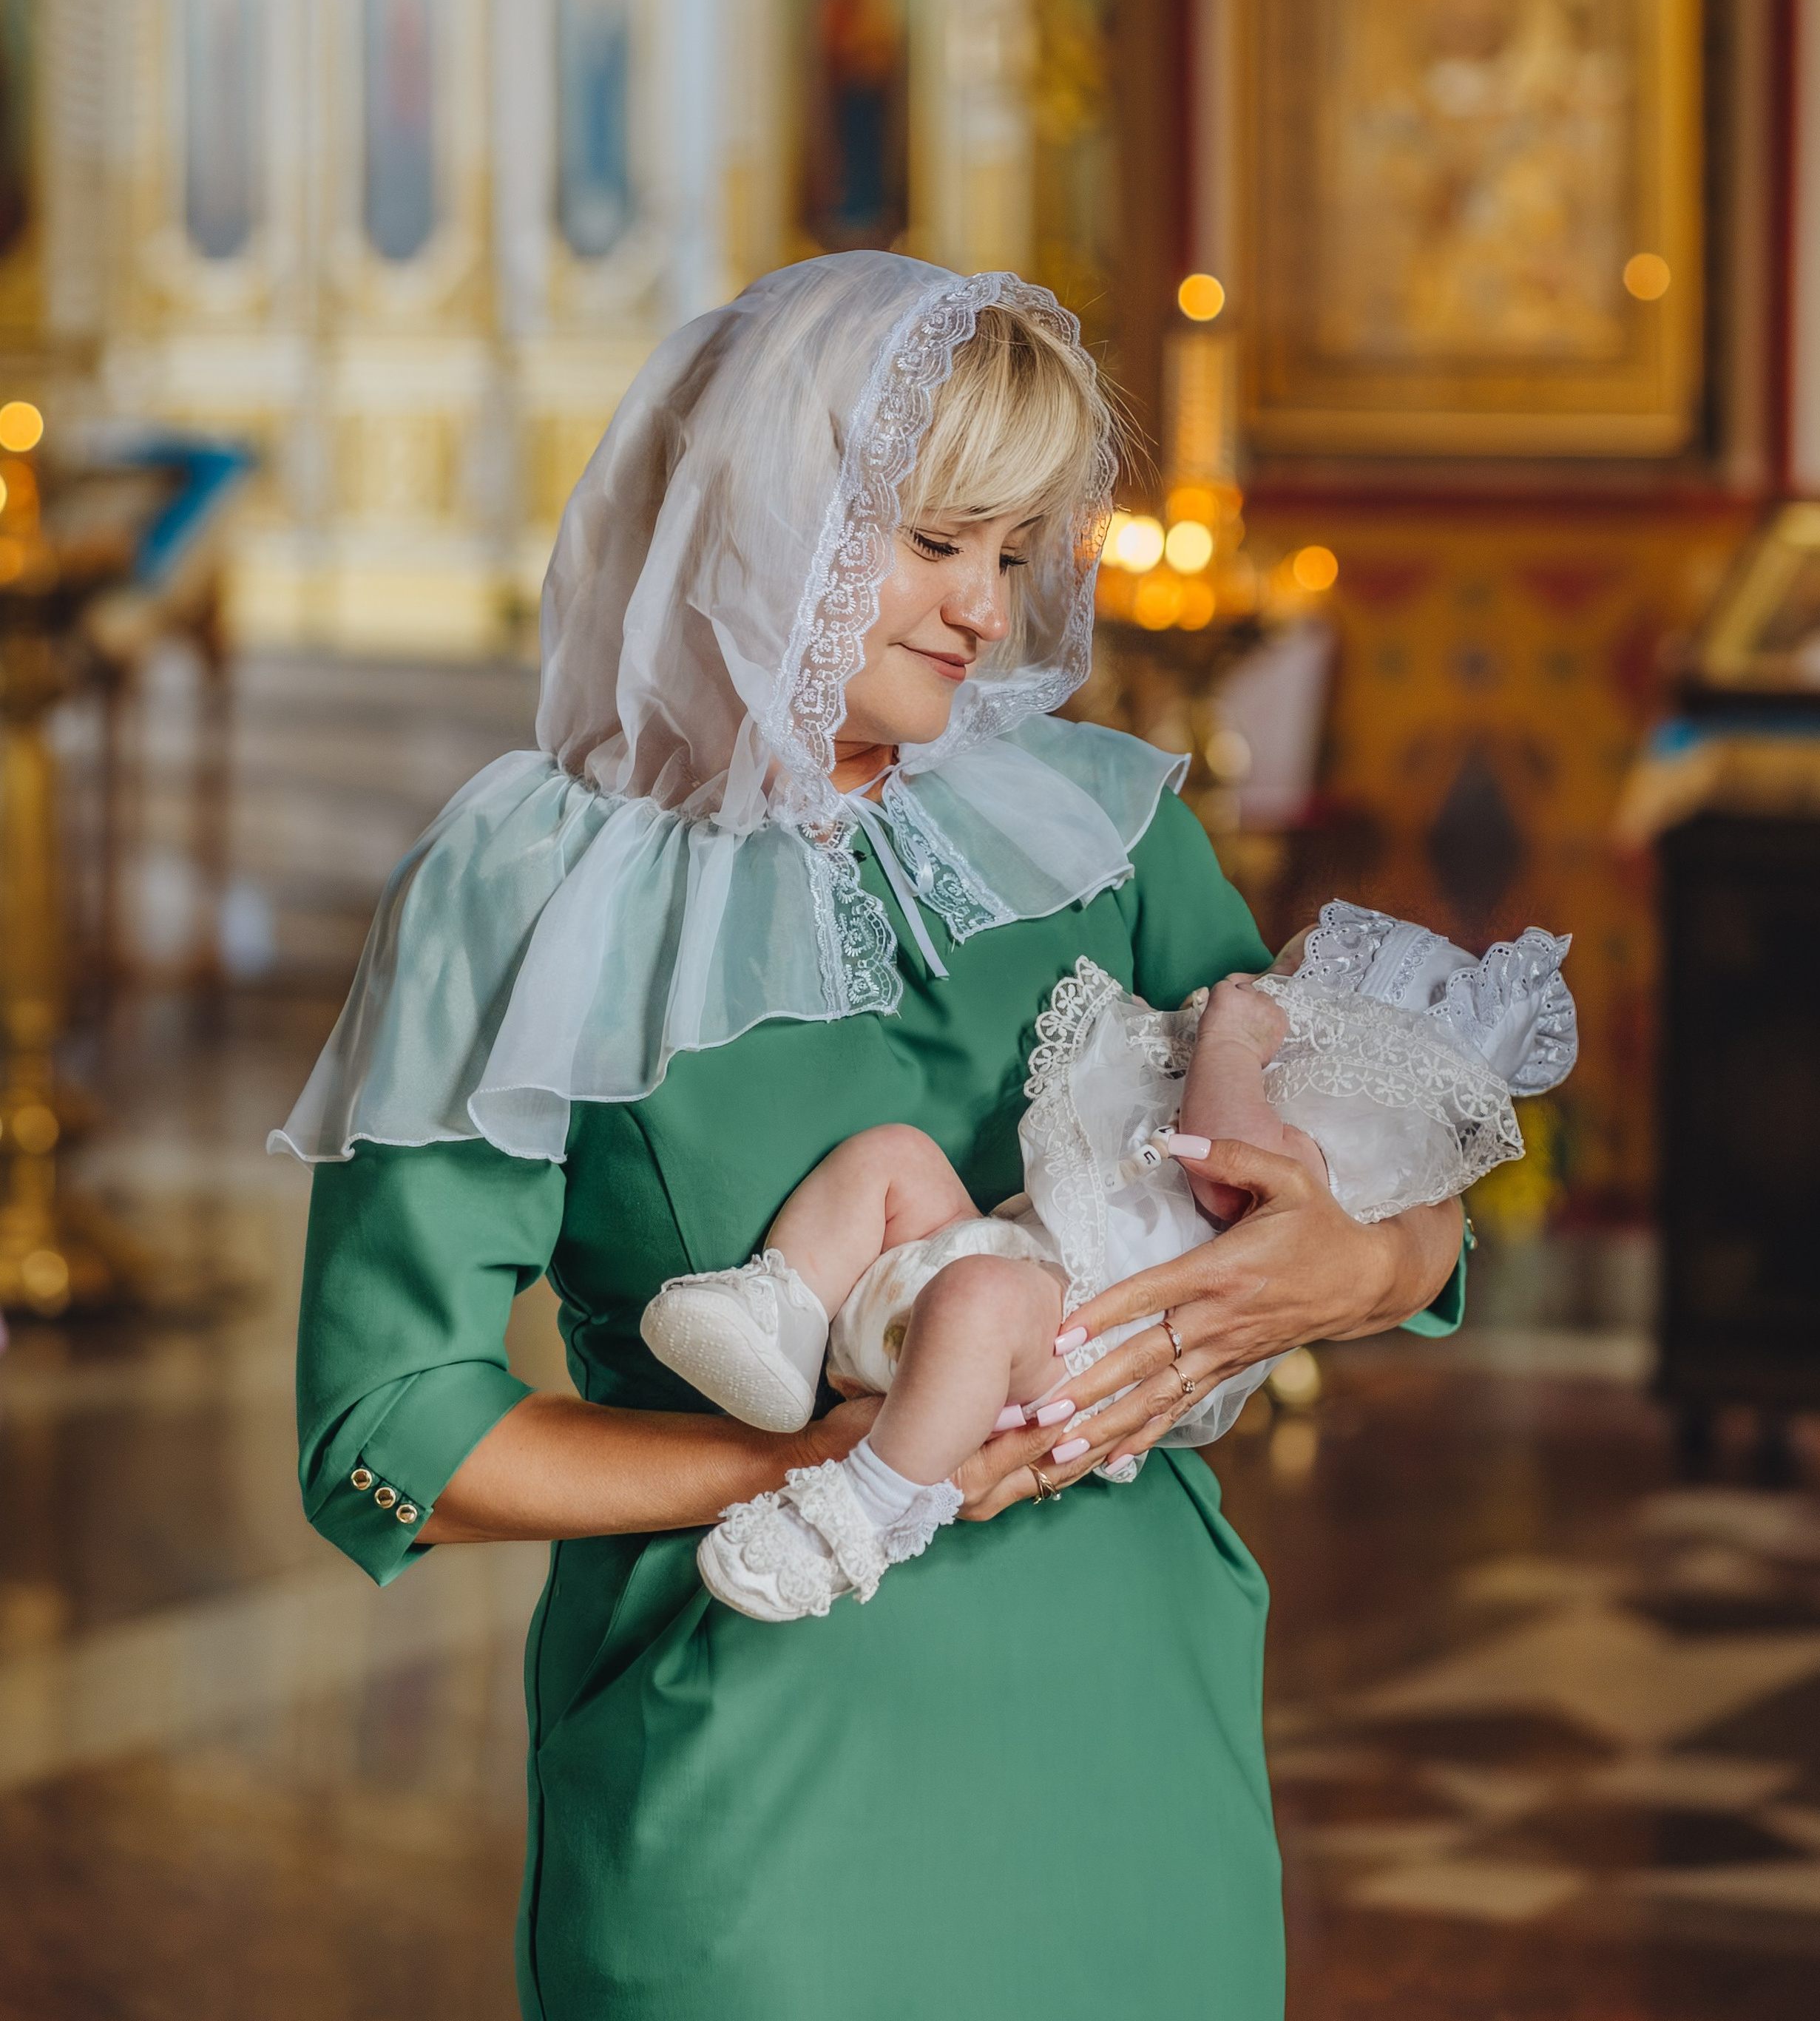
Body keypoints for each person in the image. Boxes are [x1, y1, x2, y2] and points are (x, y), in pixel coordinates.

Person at [277, 253, 1470, 2021]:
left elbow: (1397, 1213)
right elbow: (385, 1432)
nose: (983, 610)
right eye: (934, 539)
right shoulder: (527, 885)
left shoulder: (1103, 833)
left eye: (1011, 551)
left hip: (1131, 1737)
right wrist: (826, 1469)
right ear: (768, 506)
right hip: (759, 1767)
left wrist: (1351, 1265)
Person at [649, 911, 1574, 1622]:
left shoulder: (1312, 1163)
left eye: (1288, 988)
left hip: (1066, 1341)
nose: (1254, 986)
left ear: (1356, 1054)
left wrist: (1234, 1044)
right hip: (1005, 1261)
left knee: (977, 1296)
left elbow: (1218, 1171)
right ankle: (782, 1311)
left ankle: (870, 1504)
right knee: (896, 1160)